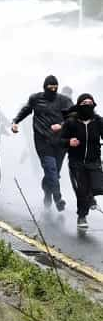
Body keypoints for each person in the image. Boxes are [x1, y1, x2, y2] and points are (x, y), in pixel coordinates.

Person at [12, 75, 74, 210]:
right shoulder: (35, 98)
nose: (52, 90)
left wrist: (62, 125)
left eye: (55, 88)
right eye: (50, 88)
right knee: (50, 168)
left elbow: (74, 117)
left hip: (60, 140)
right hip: (42, 140)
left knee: (54, 173)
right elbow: (26, 110)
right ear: (44, 87)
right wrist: (15, 121)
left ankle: (47, 193)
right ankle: (58, 198)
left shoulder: (65, 101)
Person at [60, 93, 103, 229]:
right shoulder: (71, 122)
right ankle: (82, 216)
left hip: (94, 161)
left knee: (97, 187)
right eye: (84, 104)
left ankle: (90, 198)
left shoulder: (98, 121)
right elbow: (57, 141)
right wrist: (68, 141)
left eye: (90, 104)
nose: (87, 106)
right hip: (76, 162)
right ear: (79, 106)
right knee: (82, 191)